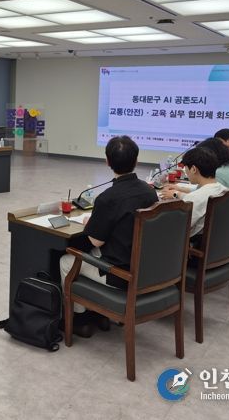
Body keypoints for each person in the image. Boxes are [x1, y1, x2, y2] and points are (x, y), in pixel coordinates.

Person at [59, 136, 158, 337]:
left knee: (66, 260)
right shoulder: (149, 192)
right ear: (136, 161)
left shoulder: (108, 198)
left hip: (120, 273)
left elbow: (94, 241)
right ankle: (99, 314)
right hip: (146, 267)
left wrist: (87, 228)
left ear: (107, 161)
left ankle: (80, 319)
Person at [161, 146, 227, 239]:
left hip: (193, 243)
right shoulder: (224, 189)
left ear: (193, 169)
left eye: (185, 168)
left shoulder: (195, 198)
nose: (185, 171)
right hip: (218, 240)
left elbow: (176, 228)